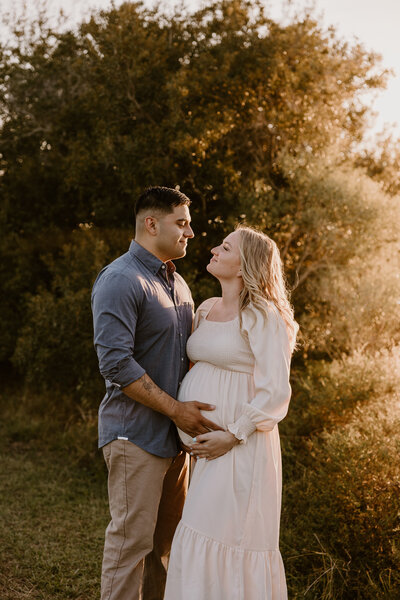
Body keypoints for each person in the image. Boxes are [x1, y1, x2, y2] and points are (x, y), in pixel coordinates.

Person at [91, 186, 221, 600]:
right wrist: (177, 410)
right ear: (151, 224)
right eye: (181, 223)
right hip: (135, 436)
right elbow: (115, 364)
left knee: (166, 548)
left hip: (175, 442)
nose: (191, 232)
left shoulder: (179, 283)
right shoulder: (120, 279)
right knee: (130, 546)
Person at [164, 225, 298, 600]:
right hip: (207, 449)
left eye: (225, 247)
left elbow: (275, 392)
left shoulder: (263, 315)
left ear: (244, 266)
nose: (214, 250)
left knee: (223, 538)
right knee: (197, 533)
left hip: (242, 448)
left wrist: (232, 434)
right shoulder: (205, 309)